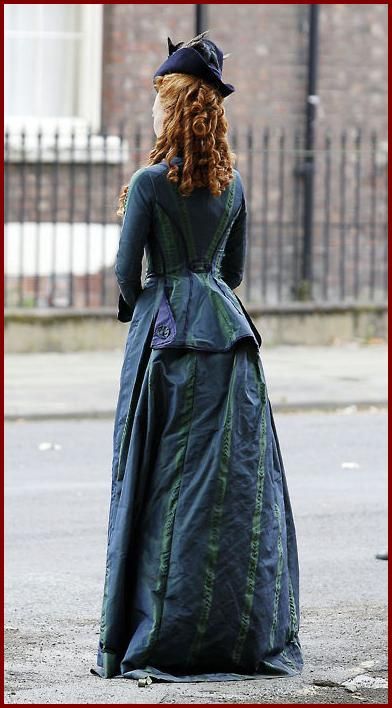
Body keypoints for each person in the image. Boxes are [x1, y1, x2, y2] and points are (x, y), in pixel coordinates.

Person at [90, 32, 304, 684]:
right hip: (231, 345)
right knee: (226, 494)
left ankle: (159, 631)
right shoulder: (234, 186)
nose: (154, 109)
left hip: (167, 342)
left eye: (161, 98)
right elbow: (231, 272)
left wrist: (151, 301)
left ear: (175, 106)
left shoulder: (151, 183)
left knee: (162, 489)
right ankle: (231, 631)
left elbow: (128, 273)